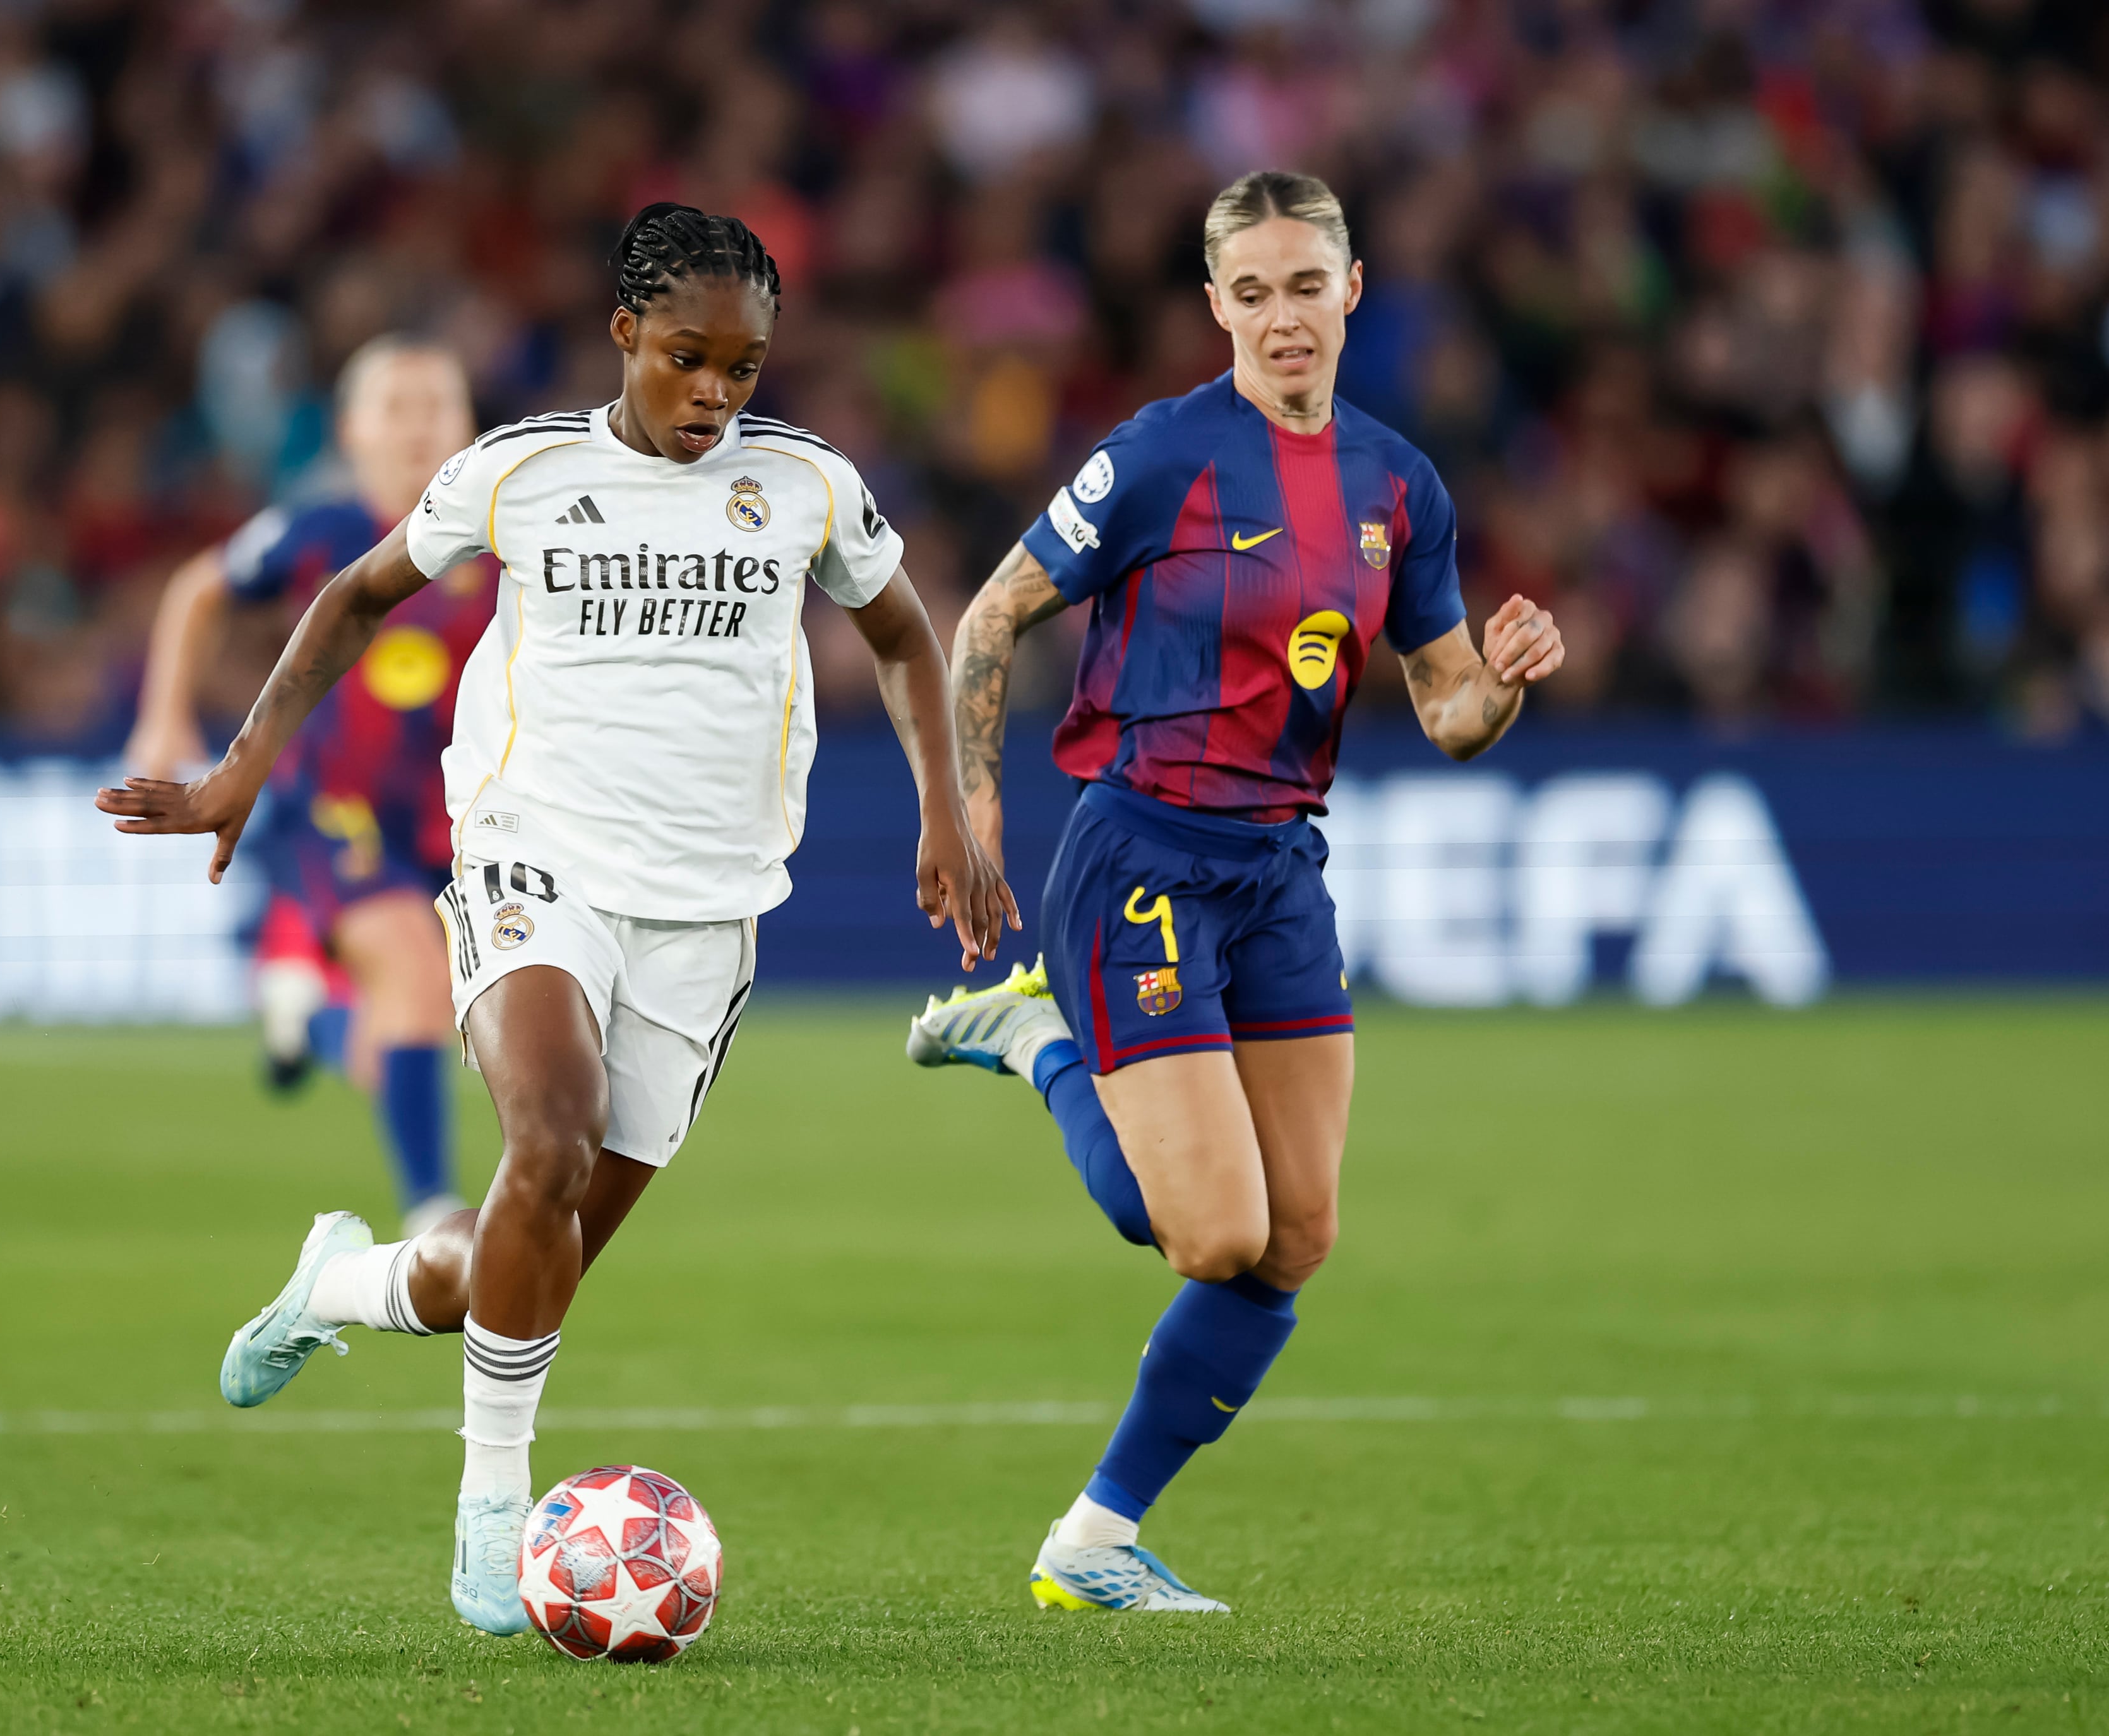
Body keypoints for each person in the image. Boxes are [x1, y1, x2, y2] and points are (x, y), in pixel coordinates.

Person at [97, 204, 1012, 1635]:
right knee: (547, 1135)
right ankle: (487, 1516)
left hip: (706, 914)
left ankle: (341, 1279)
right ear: (624, 337)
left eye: (744, 368)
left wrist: (945, 808)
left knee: (525, 1253)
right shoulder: (520, 471)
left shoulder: (807, 489)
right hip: (535, 860)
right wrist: (237, 773)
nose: (716, 393)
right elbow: (351, 597)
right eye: (690, 359)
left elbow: (900, 630)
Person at [905, 171, 1565, 1613]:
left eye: (1303, 286)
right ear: (1213, 306)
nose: (1280, 317)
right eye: (1249, 292)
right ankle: (1039, 1043)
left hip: (1278, 865)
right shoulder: (1160, 457)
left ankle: (1092, 1540)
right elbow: (993, 610)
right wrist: (971, 803)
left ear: (1349, 290)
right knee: (1203, 1233)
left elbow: (1446, 714)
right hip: (1140, 852)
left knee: (1295, 1238)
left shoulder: (1399, 485)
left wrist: (1501, 686)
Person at [124, 336, 489, 1236]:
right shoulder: (321, 532)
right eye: (394, 408)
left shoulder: (510, 543)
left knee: (416, 1028)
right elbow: (197, 588)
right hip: (330, 809)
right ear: (351, 431)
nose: (417, 427)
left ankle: (309, 1017)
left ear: (472, 425)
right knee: (410, 970)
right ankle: (434, 1214)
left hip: (458, 828)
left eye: (435, 406)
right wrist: (164, 718)